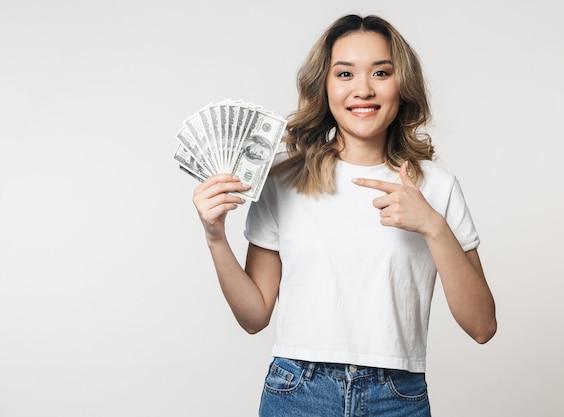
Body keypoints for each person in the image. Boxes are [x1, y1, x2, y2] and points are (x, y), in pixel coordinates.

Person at [192, 14, 497, 417]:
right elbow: (254, 316)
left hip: (397, 397)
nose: (363, 89)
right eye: (345, 73)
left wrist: (432, 226)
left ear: (401, 85)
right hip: (298, 391)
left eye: (381, 72)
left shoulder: (436, 186)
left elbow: (482, 326)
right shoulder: (283, 179)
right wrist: (215, 236)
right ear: (326, 86)